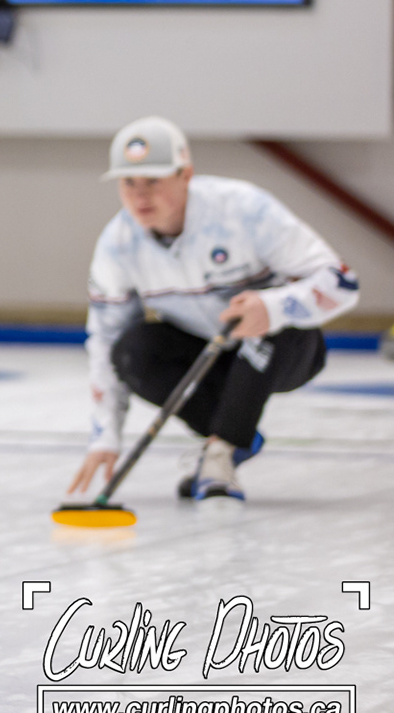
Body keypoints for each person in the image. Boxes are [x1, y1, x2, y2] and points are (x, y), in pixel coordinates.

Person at [67, 116, 357, 504]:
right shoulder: (118, 245)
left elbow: (342, 282)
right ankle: (231, 437)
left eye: (153, 180)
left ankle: (221, 453)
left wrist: (273, 307)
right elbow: (105, 339)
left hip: (286, 349)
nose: (140, 196)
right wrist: (105, 435)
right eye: (128, 183)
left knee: (267, 331)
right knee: (132, 350)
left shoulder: (243, 209)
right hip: (209, 358)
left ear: (185, 174)